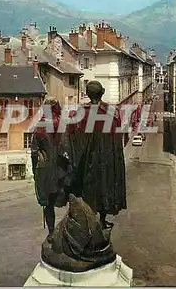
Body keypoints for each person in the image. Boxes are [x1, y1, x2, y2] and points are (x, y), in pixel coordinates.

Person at [68, 80, 127, 229]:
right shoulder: (112, 112)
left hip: (86, 160)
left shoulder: (80, 112)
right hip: (106, 159)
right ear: (102, 93)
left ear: (87, 94)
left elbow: (72, 134)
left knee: (88, 189)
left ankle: (90, 220)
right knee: (103, 187)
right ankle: (101, 219)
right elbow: (118, 137)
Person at [31, 98, 73, 242]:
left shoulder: (39, 126)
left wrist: (34, 172)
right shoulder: (62, 124)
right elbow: (67, 147)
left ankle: (51, 232)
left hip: (46, 170)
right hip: (61, 168)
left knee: (48, 205)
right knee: (70, 198)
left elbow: (34, 152)